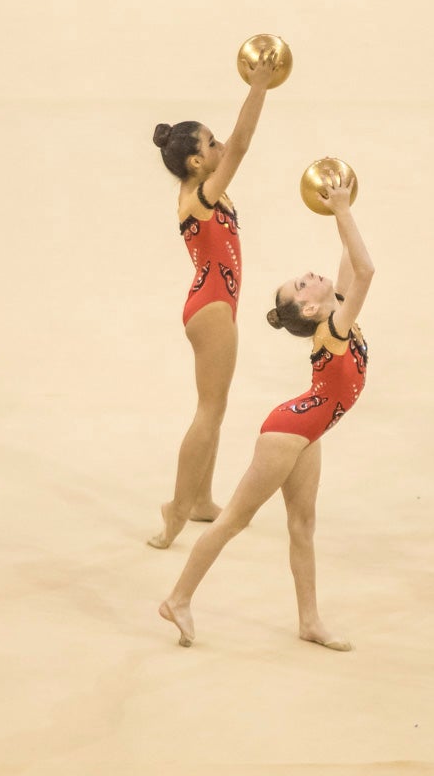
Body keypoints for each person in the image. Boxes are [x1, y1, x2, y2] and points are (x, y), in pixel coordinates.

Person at [159, 179, 371, 650]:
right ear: (311, 308)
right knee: (234, 519)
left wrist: (341, 202)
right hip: (287, 433)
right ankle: (178, 598)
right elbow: (366, 269)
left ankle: (309, 621)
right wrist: (341, 212)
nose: (310, 276)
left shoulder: (338, 312)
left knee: (302, 526)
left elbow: (349, 264)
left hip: (307, 432)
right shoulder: (336, 328)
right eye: (302, 284)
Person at [147, 49, 282, 548]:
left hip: (216, 302)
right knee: (209, 409)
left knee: (216, 406)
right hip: (210, 306)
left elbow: (234, 146)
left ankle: (201, 499)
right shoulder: (199, 197)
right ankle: (176, 509)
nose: (221, 144)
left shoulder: (204, 189)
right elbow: (243, 144)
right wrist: (259, 86)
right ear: (197, 161)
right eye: (211, 141)